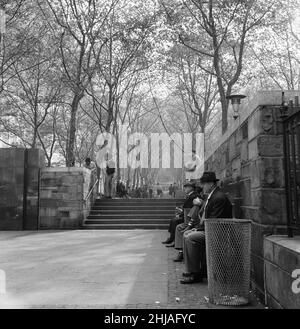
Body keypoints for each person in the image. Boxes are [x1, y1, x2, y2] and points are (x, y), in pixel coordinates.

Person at [180, 172, 232, 284]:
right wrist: (197, 228)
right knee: (187, 234)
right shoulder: (212, 195)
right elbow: (206, 217)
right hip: (211, 229)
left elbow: (213, 220)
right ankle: (192, 270)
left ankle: (195, 273)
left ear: (211, 184)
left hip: (218, 232)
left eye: (204, 184)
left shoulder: (218, 197)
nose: (202, 187)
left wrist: (198, 229)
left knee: (190, 238)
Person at [161, 181, 199, 246]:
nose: (184, 189)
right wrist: (181, 210)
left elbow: (190, 208)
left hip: (189, 218)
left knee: (175, 221)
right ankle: (172, 239)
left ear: (191, 188)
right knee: (173, 220)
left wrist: (180, 213)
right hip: (187, 215)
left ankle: (173, 240)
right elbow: (187, 207)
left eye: (186, 187)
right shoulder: (191, 195)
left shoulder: (193, 196)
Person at [173, 186, 204, 262]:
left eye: (186, 187)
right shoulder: (200, 201)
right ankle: (181, 251)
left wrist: (192, 226)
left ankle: (182, 252)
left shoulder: (197, 199)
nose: (185, 189)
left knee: (182, 229)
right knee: (178, 226)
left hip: (198, 224)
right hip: (194, 222)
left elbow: (194, 216)